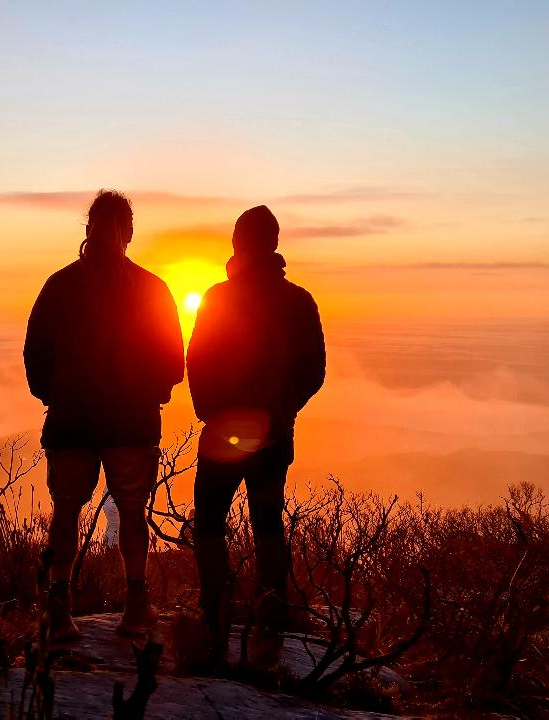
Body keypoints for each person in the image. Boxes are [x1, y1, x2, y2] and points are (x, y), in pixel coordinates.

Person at [23, 190, 184, 641]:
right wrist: (151, 396)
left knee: (66, 512)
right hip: (131, 422)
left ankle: (58, 609)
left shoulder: (60, 285)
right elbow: (173, 360)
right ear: (129, 233)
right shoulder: (153, 289)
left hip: (71, 419)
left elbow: (35, 354)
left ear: (88, 229)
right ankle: (136, 606)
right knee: (133, 514)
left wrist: (54, 397)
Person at [187, 205, 326, 662]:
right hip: (274, 435)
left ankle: (215, 617)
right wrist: (281, 413)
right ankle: (271, 620)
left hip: (224, 434)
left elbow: (198, 360)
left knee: (209, 522)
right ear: (274, 243)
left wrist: (211, 412)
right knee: (267, 522)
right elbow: (313, 372)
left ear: (239, 244)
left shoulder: (217, 298)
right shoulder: (299, 301)